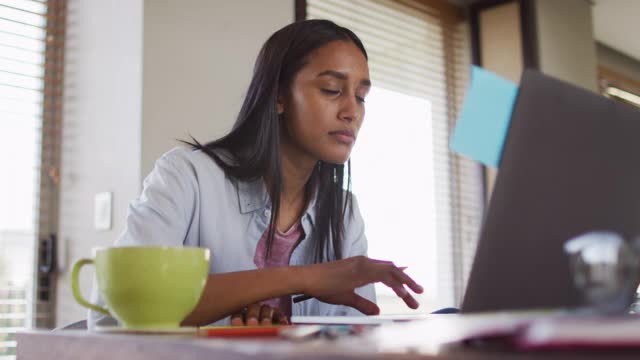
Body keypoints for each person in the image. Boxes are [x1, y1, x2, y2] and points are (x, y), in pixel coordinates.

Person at [88, 19, 423, 328]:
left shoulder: (344, 213)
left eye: (361, 97)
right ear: (278, 96)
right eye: (332, 90)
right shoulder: (187, 176)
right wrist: (303, 278)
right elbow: (117, 314)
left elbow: (355, 337)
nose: (352, 111)